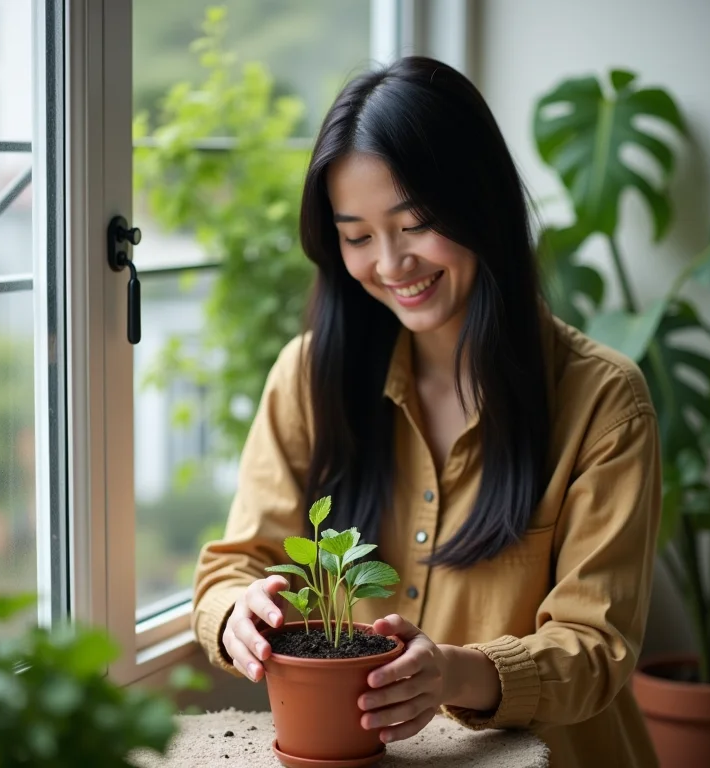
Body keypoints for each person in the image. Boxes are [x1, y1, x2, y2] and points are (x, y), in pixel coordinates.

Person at [192, 55, 661, 768]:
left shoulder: (604, 402)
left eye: (415, 224)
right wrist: (239, 613)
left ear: (482, 205)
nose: (390, 264)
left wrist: (454, 673)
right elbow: (235, 566)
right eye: (357, 236)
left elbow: (596, 647)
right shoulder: (308, 377)